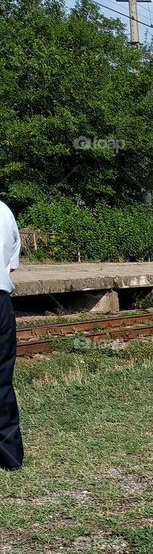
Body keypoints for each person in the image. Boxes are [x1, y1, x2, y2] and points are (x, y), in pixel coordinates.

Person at [0, 199, 23, 471]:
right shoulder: (4, 211)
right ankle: (10, 456)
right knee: (2, 380)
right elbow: (12, 262)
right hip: (2, 302)